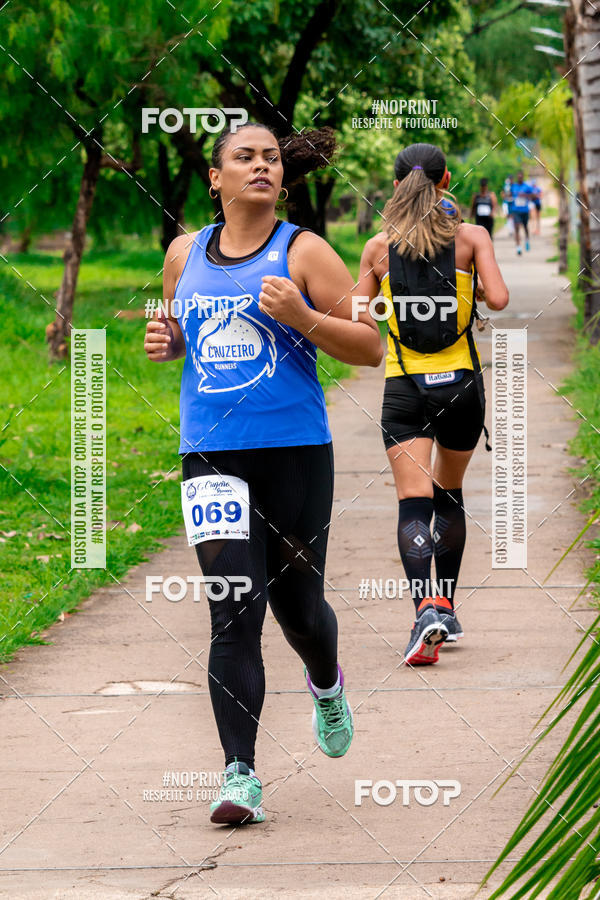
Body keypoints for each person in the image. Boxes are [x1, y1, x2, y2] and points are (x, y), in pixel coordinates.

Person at [144, 122, 382, 825]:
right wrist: (170, 341)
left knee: (297, 608)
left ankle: (325, 680)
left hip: (295, 452)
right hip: (211, 453)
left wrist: (303, 316)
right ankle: (239, 775)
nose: (260, 166)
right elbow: (184, 334)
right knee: (233, 608)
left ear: (282, 176)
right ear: (215, 179)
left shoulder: (304, 251)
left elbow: (368, 348)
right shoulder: (183, 253)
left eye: (271, 158)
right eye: (244, 157)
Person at [357, 142, 508, 666]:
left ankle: (426, 608)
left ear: (397, 186)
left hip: (405, 388)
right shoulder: (471, 237)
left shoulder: (378, 247)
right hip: (463, 384)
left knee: (413, 501)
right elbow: (501, 298)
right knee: (450, 491)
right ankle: (446, 603)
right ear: (445, 182)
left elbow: (362, 314)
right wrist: (473, 293)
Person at [509, 170, 534, 255]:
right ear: (517, 178)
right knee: (516, 228)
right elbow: (510, 196)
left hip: (525, 210)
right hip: (516, 210)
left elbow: (533, 196)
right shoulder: (513, 186)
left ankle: (527, 240)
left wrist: (525, 195)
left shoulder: (527, 187)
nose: (519, 178)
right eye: (518, 177)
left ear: (523, 177)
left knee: (525, 227)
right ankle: (518, 247)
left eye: (521, 177)